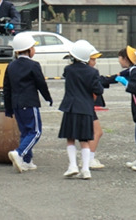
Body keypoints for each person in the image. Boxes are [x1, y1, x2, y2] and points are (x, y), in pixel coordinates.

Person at [3, 32, 53, 173]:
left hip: (16, 104)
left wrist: (8, 108)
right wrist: (47, 97)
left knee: (25, 132)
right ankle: (19, 153)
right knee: (35, 131)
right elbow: (41, 84)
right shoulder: (33, 65)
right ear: (29, 50)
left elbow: (6, 88)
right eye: (33, 47)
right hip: (29, 103)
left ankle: (27, 161)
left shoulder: (11, 66)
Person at [59, 40, 103, 179]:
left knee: (70, 138)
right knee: (84, 139)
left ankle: (72, 166)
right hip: (86, 108)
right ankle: (85, 169)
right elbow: (98, 90)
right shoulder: (93, 72)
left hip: (70, 107)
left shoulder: (68, 70)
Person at [87, 46, 106, 170]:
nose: (95, 62)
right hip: (88, 106)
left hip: (79, 106)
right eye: (93, 59)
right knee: (97, 132)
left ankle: (88, 158)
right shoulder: (92, 72)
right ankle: (89, 159)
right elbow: (98, 88)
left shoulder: (73, 71)